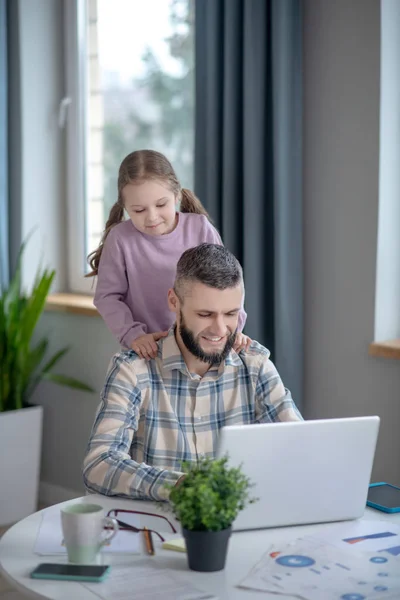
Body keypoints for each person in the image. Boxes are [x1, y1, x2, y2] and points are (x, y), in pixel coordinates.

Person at [83, 244, 303, 502]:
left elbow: (298, 445)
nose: (220, 329)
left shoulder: (255, 366)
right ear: (174, 302)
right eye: (205, 314)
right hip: (156, 529)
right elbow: (99, 464)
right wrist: (181, 486)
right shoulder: (133, 370)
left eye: (230, 314)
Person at [86, 149, 249, 359]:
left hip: (201, 346)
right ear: (124, 207)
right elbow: (107, 297)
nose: (152, 217)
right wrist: (133, 335)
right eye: (138, 210)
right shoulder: (120, 239)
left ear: (177, 195)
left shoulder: (200, 228)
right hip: (148, 349)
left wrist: (232, 328)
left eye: (161, 204)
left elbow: (228, 283)